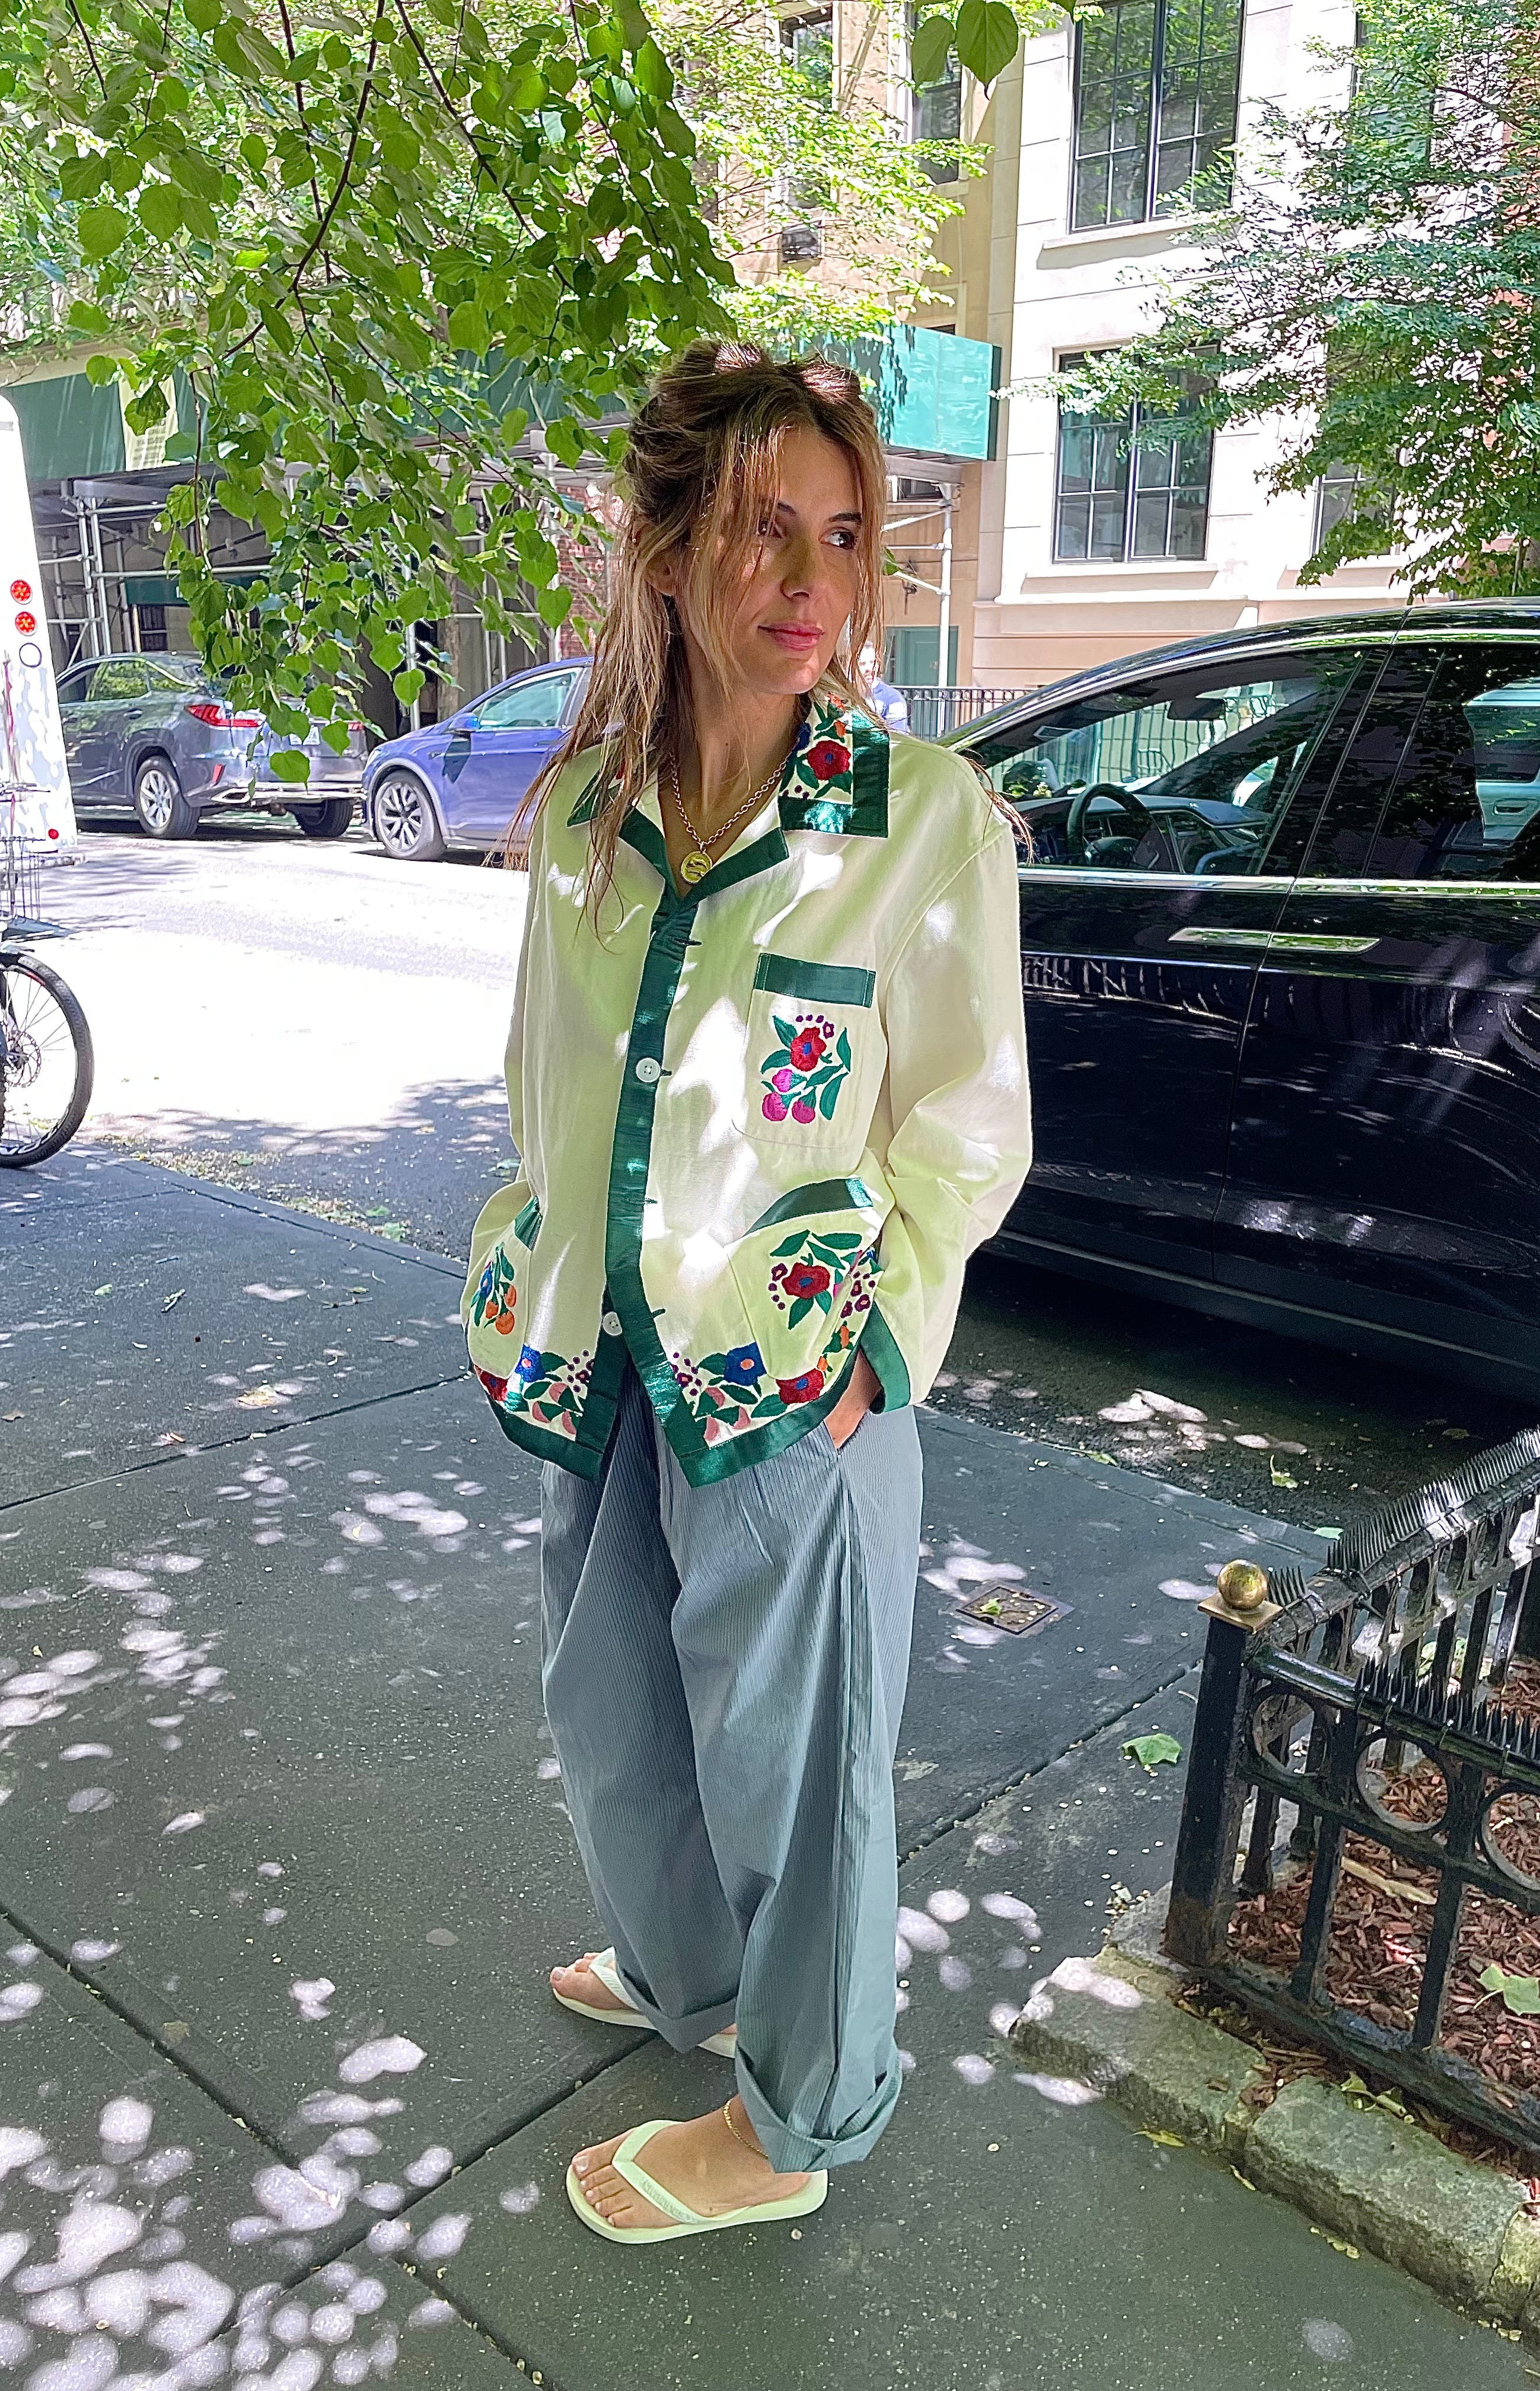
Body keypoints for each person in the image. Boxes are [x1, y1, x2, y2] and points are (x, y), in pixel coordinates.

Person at [464, 340, 1031, 2247]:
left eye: (846, 535)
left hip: (800, 1382)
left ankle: (799, 2114)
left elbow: (967, 1124)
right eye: (761, 527)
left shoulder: (918, 818)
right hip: (610, 1353)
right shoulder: (582, 815)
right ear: (662, 548)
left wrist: (879, 1349)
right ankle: (685, 1973)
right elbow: (542, 1086)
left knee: (803, 1769)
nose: (810, 580)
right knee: (617, 1703)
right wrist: (527, 1277)